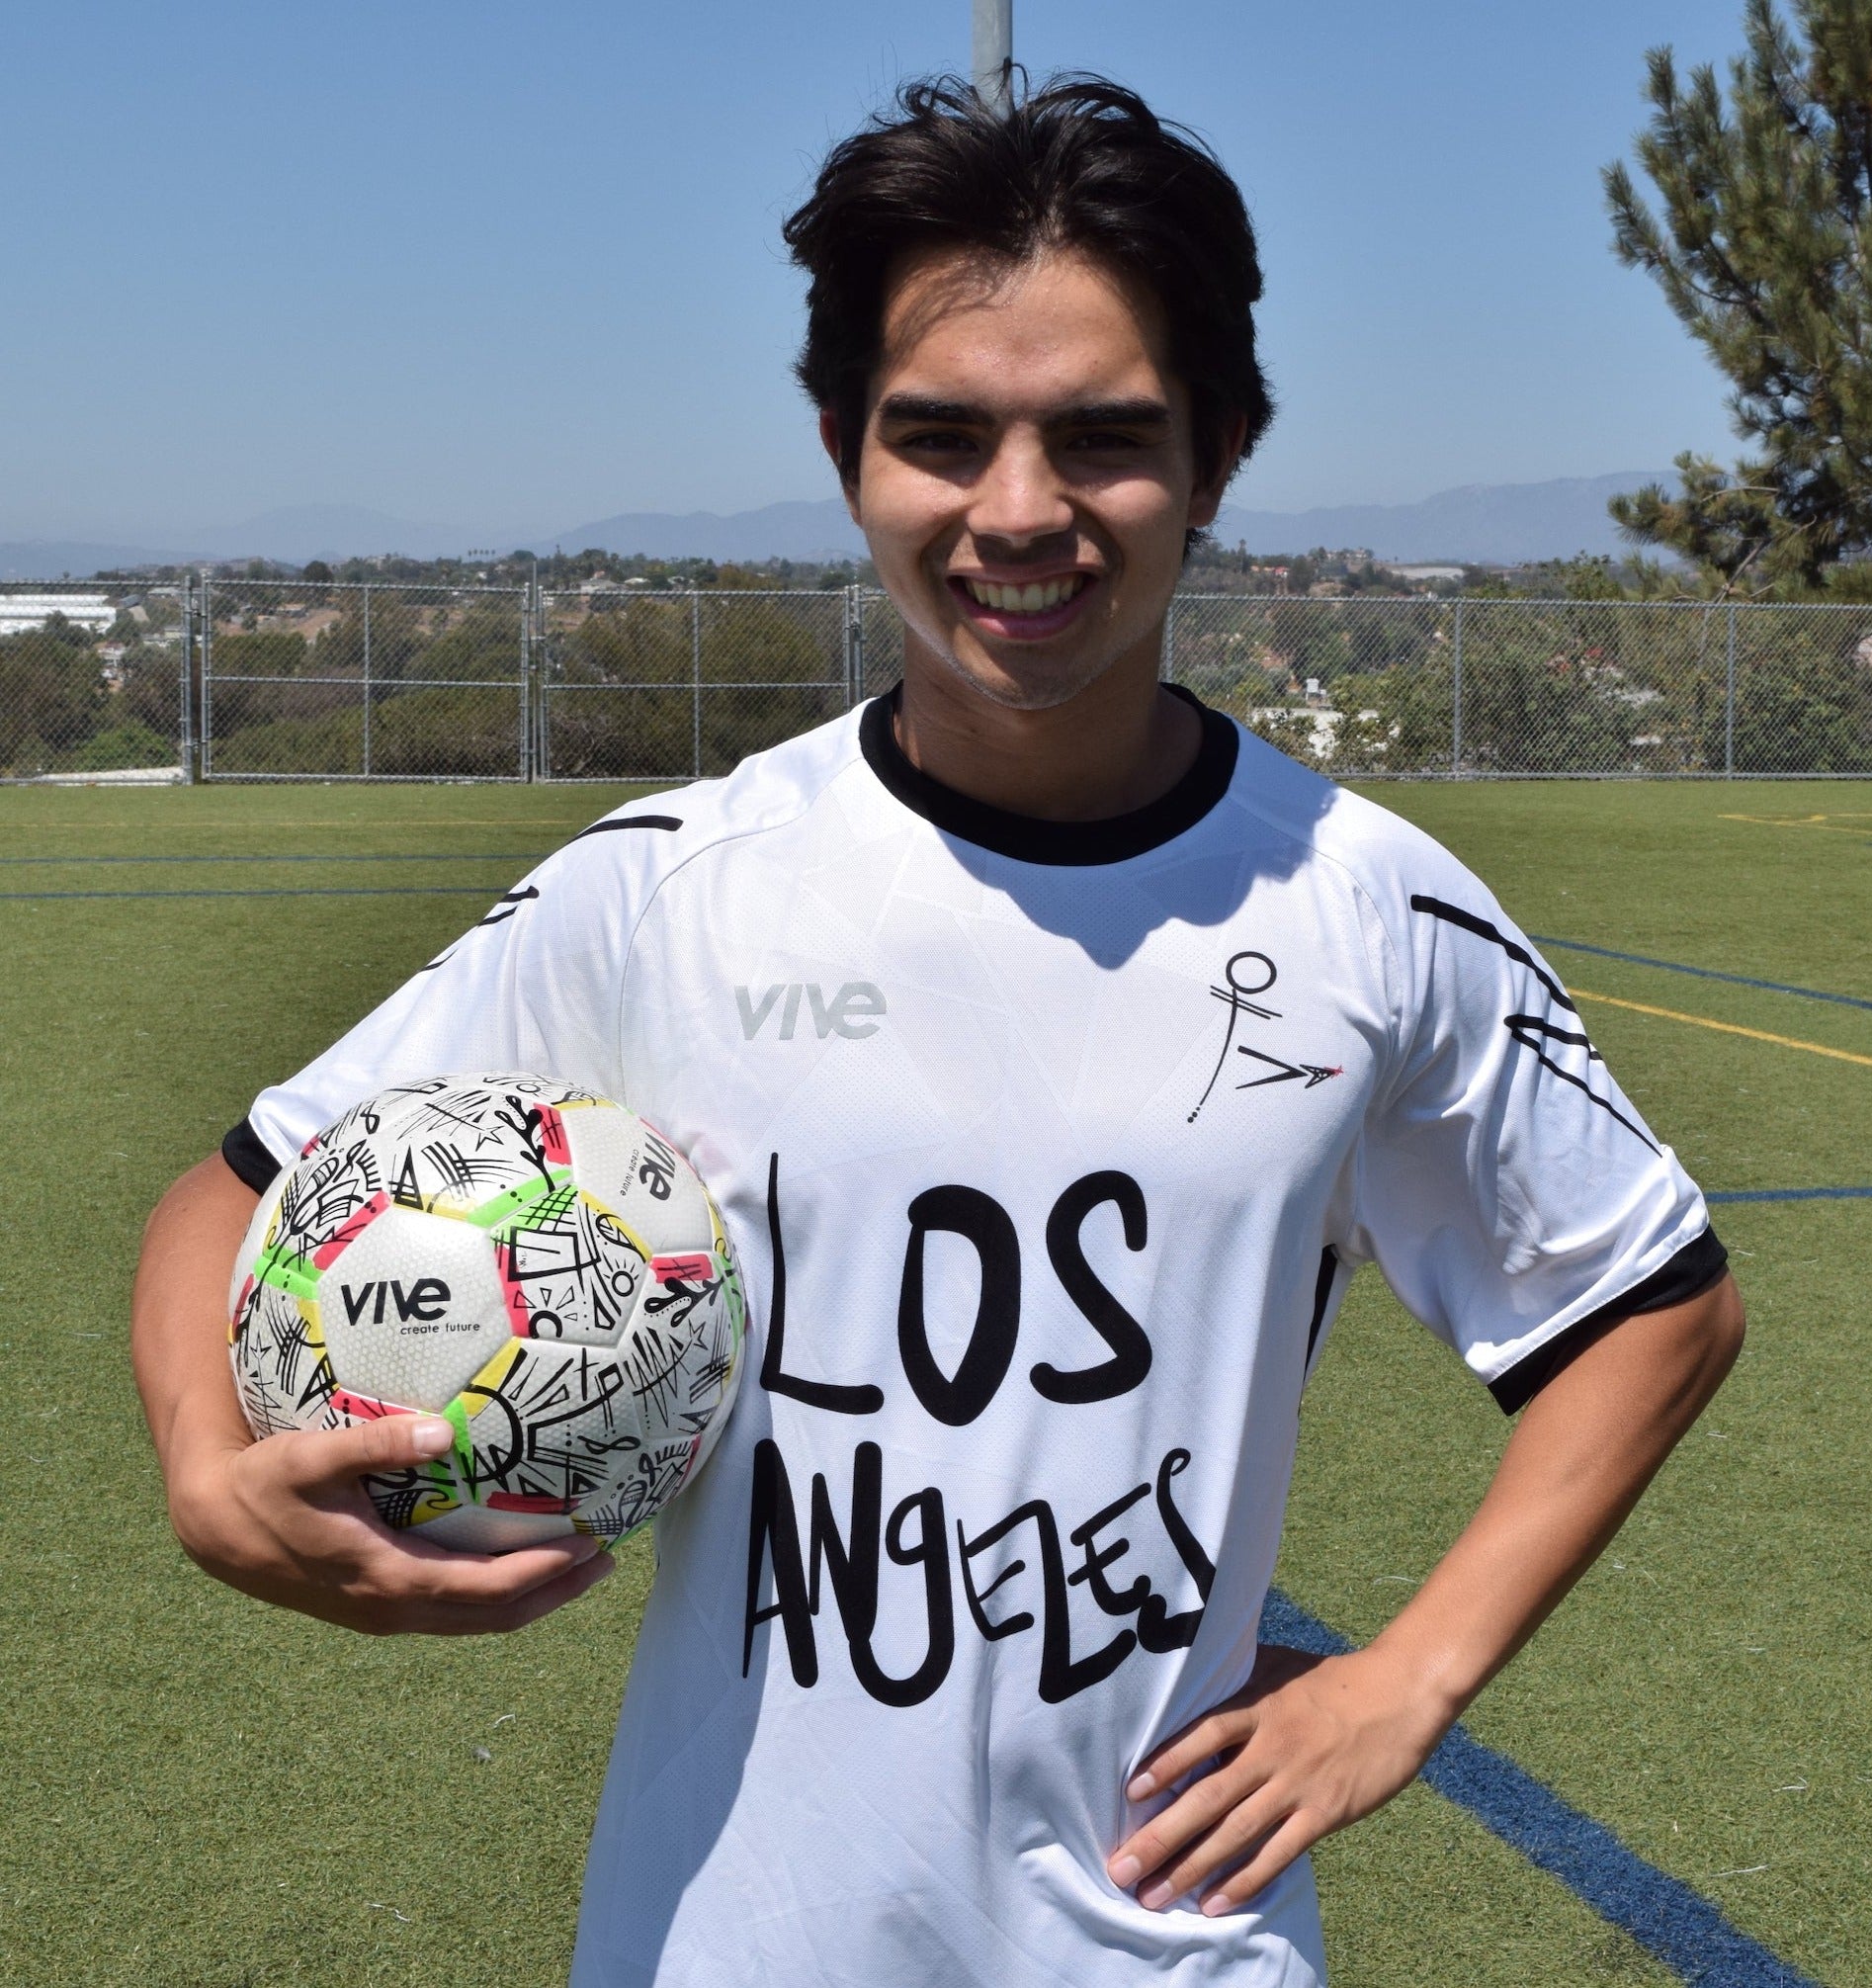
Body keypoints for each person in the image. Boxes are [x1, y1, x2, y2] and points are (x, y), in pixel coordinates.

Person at [131, 75, 1744, 1987]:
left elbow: (1653, 1296)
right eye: (942, 436)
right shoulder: (665, 893)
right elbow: (231, 1199)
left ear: (1219, 455)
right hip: (725, 1940)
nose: (1021, 512)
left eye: (1106, 440)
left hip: (1176, 1950)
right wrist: (209, 1479)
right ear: (846, 452)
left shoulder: (1366, 904)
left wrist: (1406, 1681)